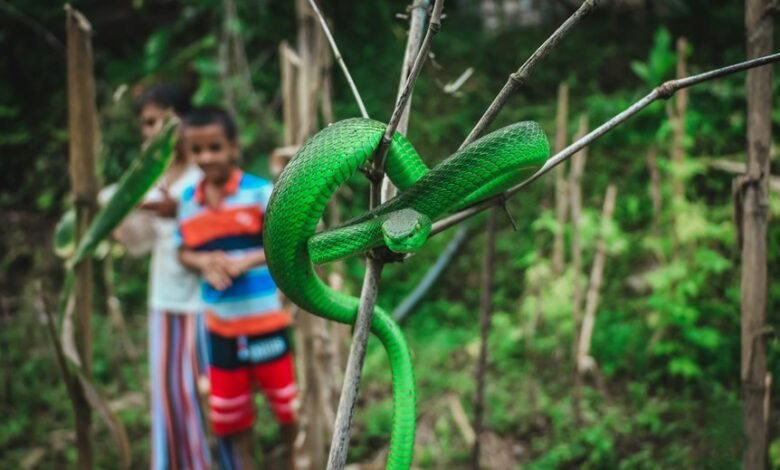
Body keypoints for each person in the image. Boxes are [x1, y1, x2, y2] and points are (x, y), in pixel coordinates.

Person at [176, 107, 299, 469]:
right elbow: (182, 251)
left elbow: (287, 243)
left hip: (266, 323)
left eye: (215, 147)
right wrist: (204, 262)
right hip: (220, 328)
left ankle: (297, 459)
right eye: (197, 150)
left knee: (286, 408)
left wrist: (245, 262)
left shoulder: (261, 193)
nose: (207, 157)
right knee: (232, 416)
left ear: (233, 147)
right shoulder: (187, 202)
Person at [115, 84, 211, 470]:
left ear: (180, 121)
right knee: (169, 401)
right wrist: (123, 211)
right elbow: (137, 242)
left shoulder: (206, 169)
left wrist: (181, 211)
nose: (149, 132)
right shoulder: (148, 176)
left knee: (203, 397)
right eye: (145, 125)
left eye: (155, 122)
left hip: (205, 302)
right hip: (165, 299)